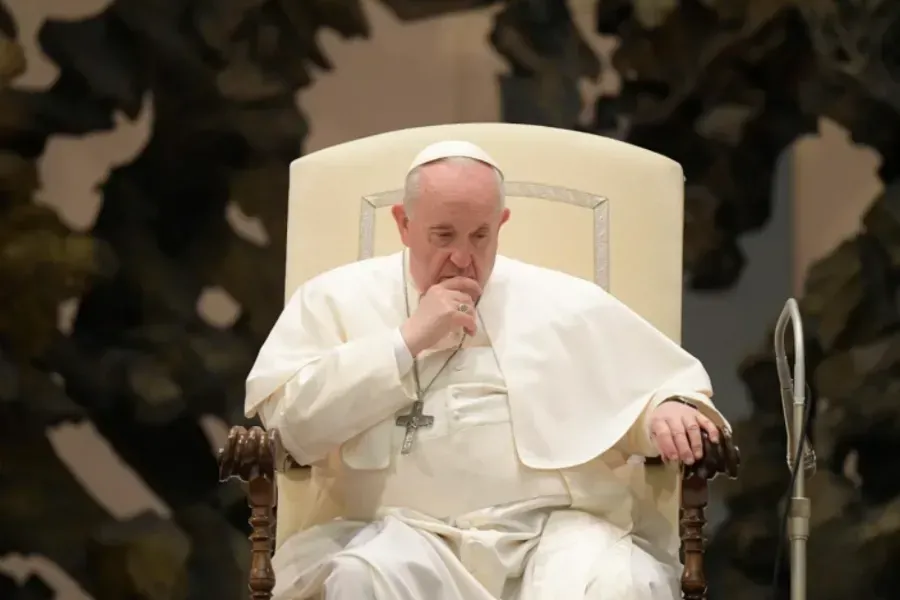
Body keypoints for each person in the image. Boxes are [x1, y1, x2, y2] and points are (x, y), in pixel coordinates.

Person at [244, 140, 730, 599]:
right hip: (402, 536)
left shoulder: (563, 301)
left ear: (502, 222)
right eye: (442, 235)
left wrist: (663, 411)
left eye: (481, 236)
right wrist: (406, 340)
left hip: (553, 531)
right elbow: (293, 429)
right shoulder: (336, 299)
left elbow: (650, 389)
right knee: (360, 577)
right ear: (403, 223)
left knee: (614, 585)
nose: (463, 257)